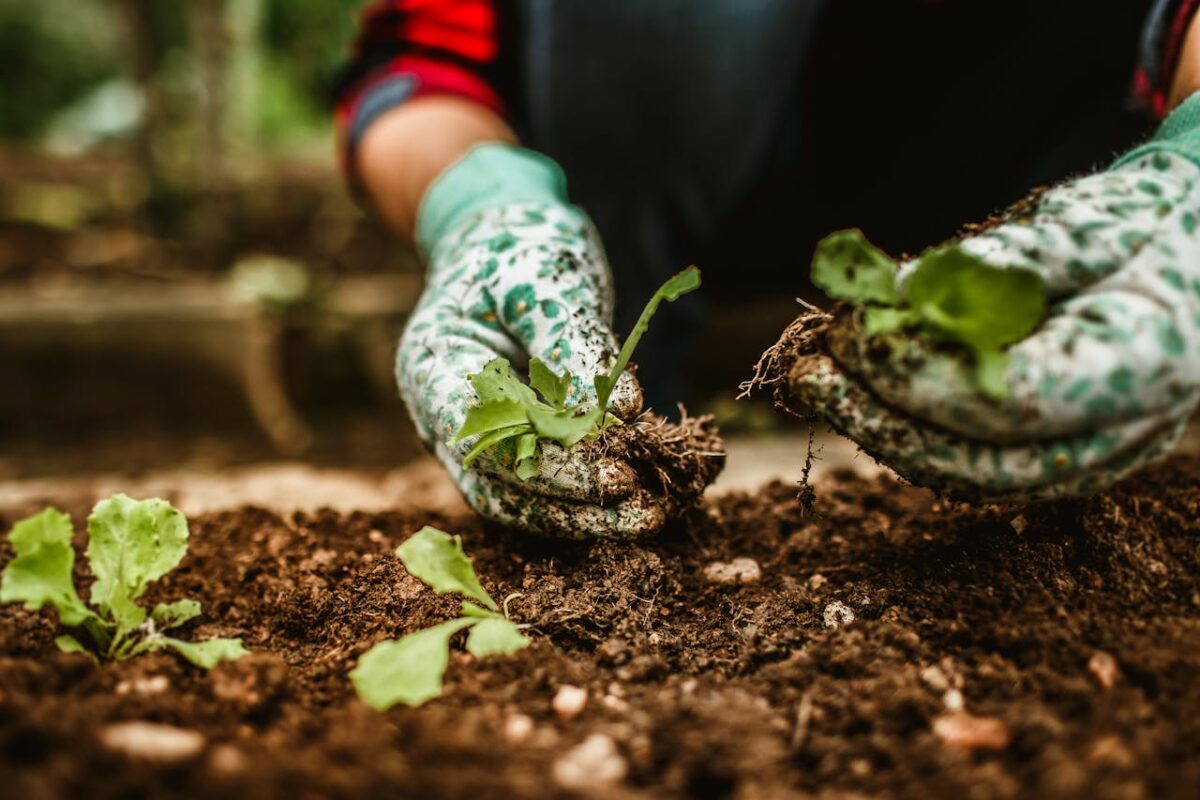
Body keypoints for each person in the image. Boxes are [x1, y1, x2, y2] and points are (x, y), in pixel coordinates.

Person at [334, 0, 1200, 537]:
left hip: (1048, 137)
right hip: (673, 159)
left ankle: (1046, 339)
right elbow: (416, 67)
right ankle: (630, 431)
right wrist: (482, 204)